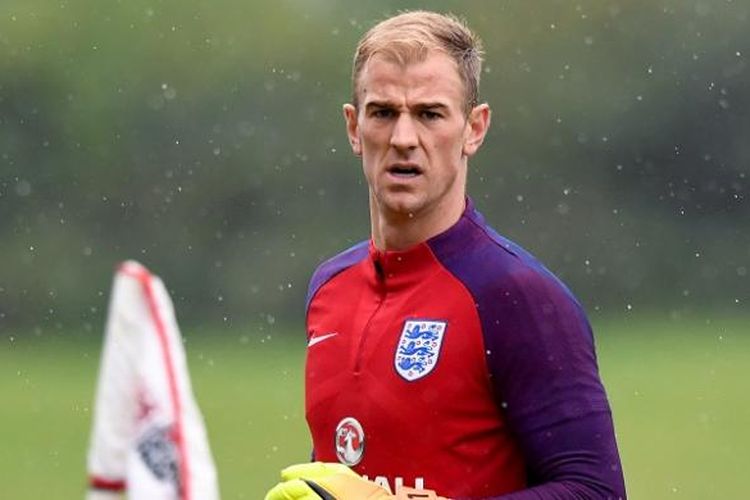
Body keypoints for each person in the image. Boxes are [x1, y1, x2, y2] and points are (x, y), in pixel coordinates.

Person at [267, 10, 626, 500]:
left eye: (430, 114)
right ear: (354, 127)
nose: (403, 139)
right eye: (383, 112)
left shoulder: (515, 295)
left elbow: (596, 492)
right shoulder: (331, 286)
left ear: (474, 129)